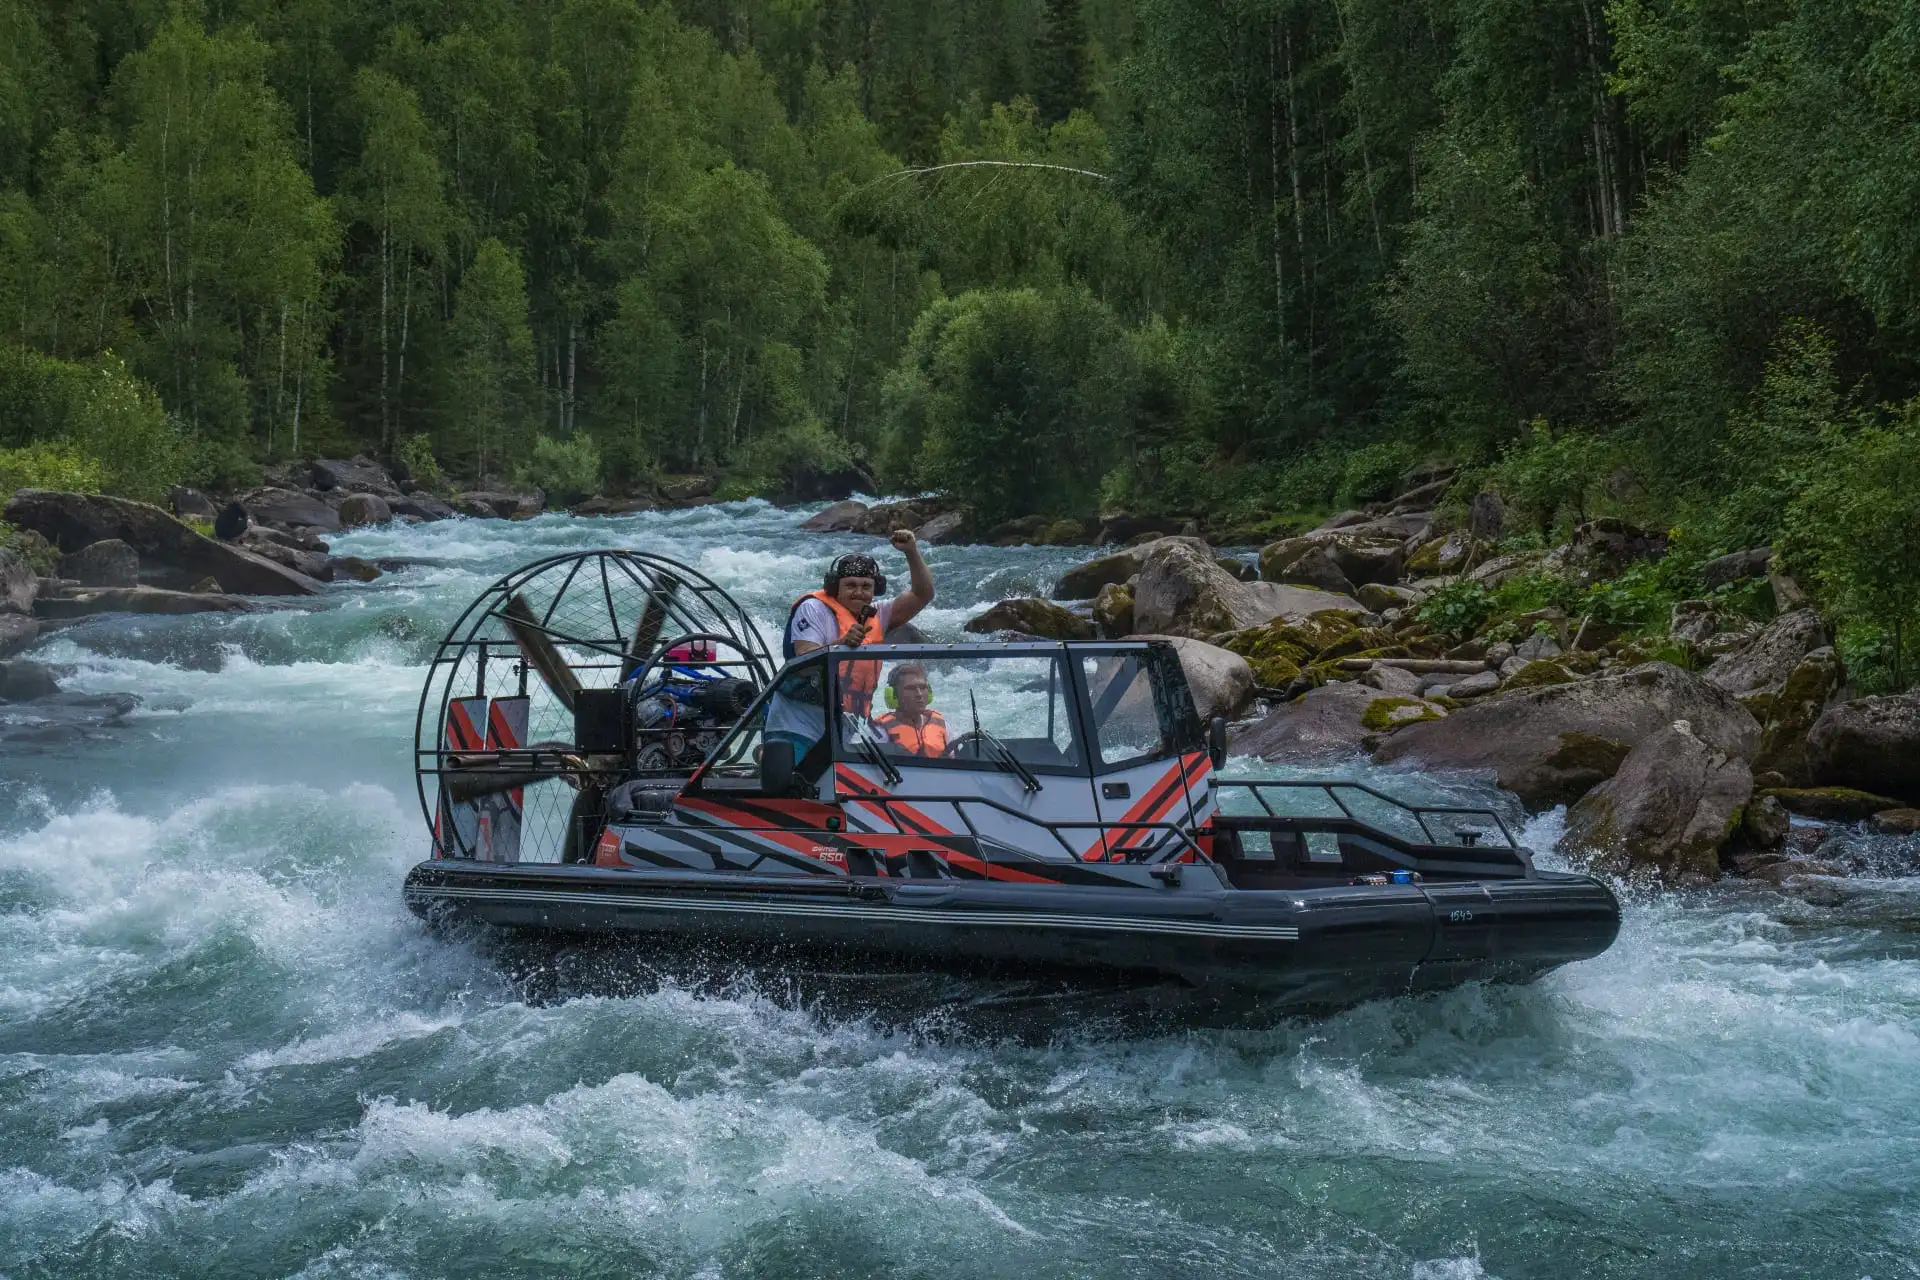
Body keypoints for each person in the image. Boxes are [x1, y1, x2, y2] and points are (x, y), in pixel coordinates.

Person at [763, 530, 935, 763]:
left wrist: (912, 552)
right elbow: (803, 661)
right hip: (797, 722)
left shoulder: (879, 614)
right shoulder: (813, 609)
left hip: (844, 723)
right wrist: (840, 644)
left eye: (866, 586)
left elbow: (922, 594)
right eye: (851, 586)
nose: (859, 592)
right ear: (835, 588)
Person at [873, 662, 946, 757]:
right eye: (910, 688)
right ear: (893, 695)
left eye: (923, 687)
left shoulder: (942, 725)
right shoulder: (880, 732)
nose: (919, 694)